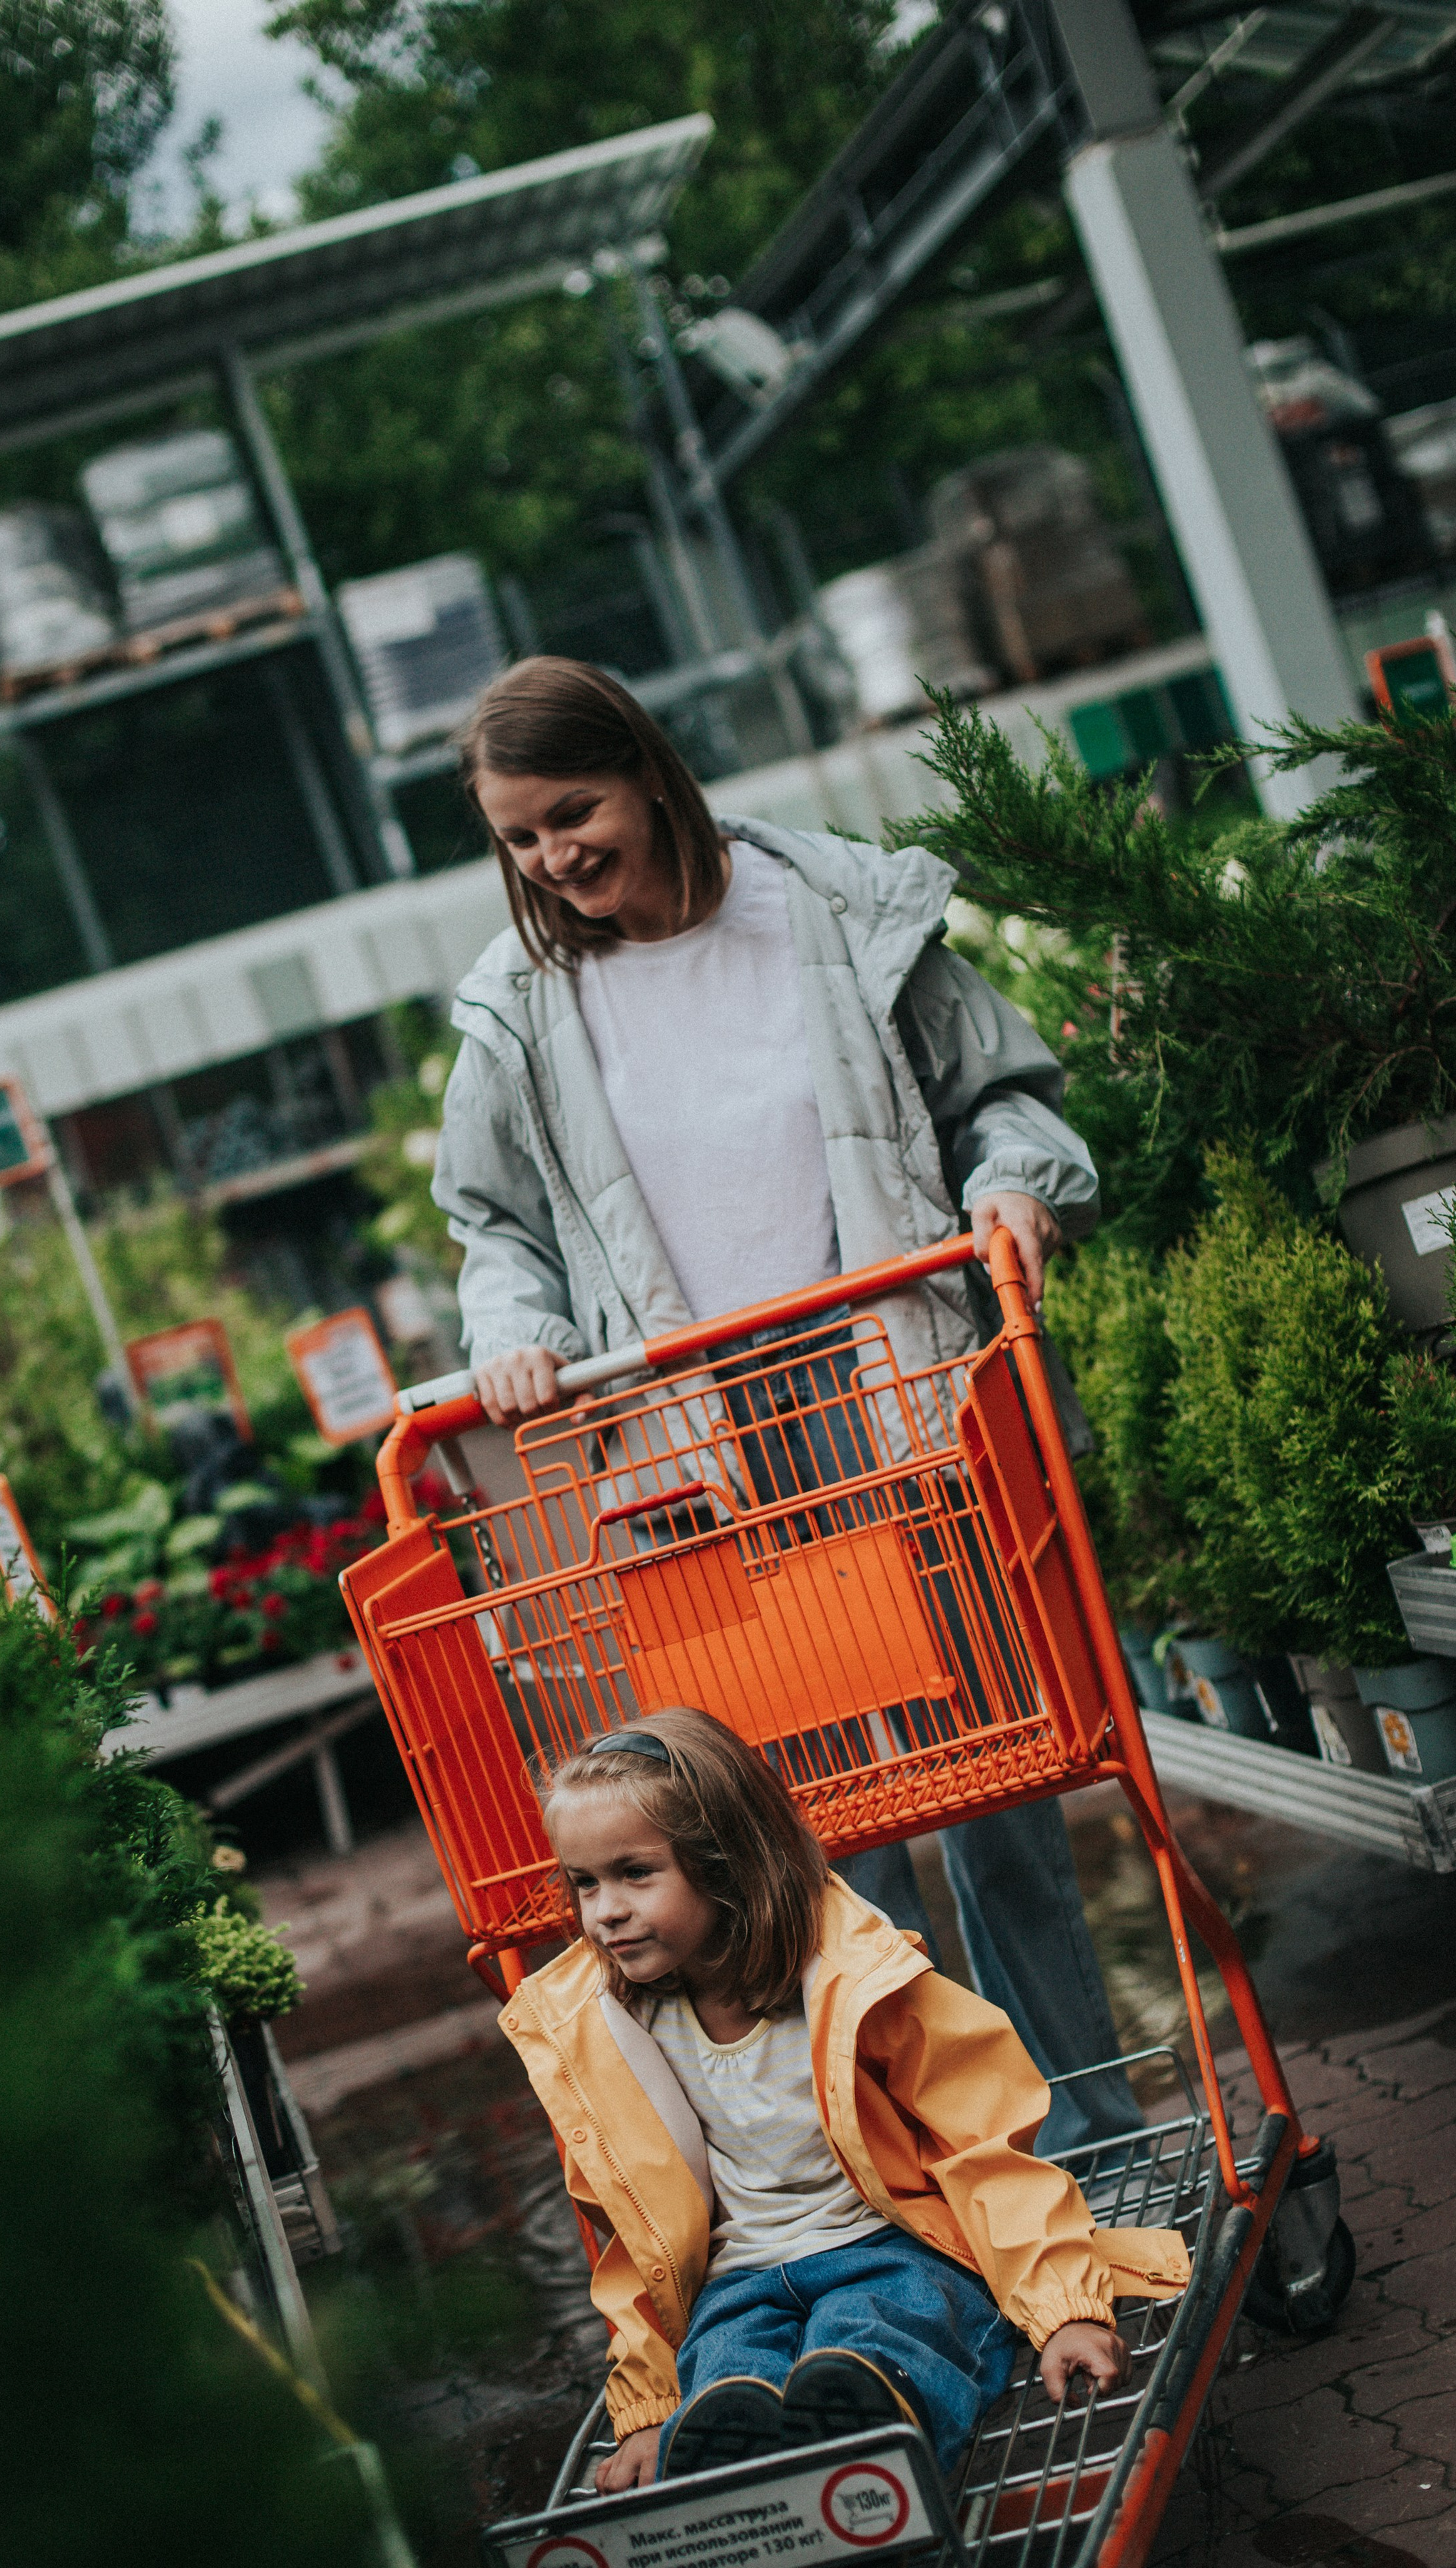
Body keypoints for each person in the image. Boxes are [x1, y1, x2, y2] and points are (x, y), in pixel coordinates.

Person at [434, 655, 1141, 2156]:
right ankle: (919, 2179)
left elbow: (997, 1098)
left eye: (571, 812)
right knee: (793, 1846)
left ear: (645, 771)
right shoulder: (520, 1003)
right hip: (691, 1456)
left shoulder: (836, 911)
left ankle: (1095, 2148)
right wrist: (513, 1328)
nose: (553, 859)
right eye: (515, 837)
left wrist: (1010, 1188)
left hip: (892, 1397)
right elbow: (493, 1224)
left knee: (992, 1804)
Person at [497, 1710, 1188, 2568]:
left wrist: (1065, 2303)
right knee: (728, 2380)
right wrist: (651, 2405)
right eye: (583, 1884)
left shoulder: (854, 1981)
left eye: (634, 1875)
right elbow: (635, 2237)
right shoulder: (611, 2025)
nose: (603, 1910)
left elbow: (981, 2145)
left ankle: (875, 2512)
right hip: (743, 2276)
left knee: (872, 2344)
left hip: (889, 2242)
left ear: (727, 1865)